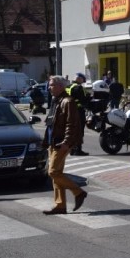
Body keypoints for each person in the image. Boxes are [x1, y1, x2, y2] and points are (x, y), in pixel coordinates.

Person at [42, 76, 88, 215]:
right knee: (57, 174)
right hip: (53, 142)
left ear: (61, 86)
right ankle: (60, 206)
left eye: (52, 85)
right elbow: (51, 123)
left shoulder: (68, 101)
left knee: (53, 172)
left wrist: (67, 143)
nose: (49, 88)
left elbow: (72, 124)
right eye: (49, 85)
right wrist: (46, 142)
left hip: (61, 143)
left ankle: (78, 192)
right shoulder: (56, 101)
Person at [67, 72, 89, 156]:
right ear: (79, 79)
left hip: (69, 111)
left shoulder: (68, 87)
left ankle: (72, 149)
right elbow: (83, 100)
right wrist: (88, 98)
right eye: (82, 80)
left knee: (71, 131)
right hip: (78, 111)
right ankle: (78, 150)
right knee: (79, 131)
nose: (82, 82)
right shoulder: (79, 88)